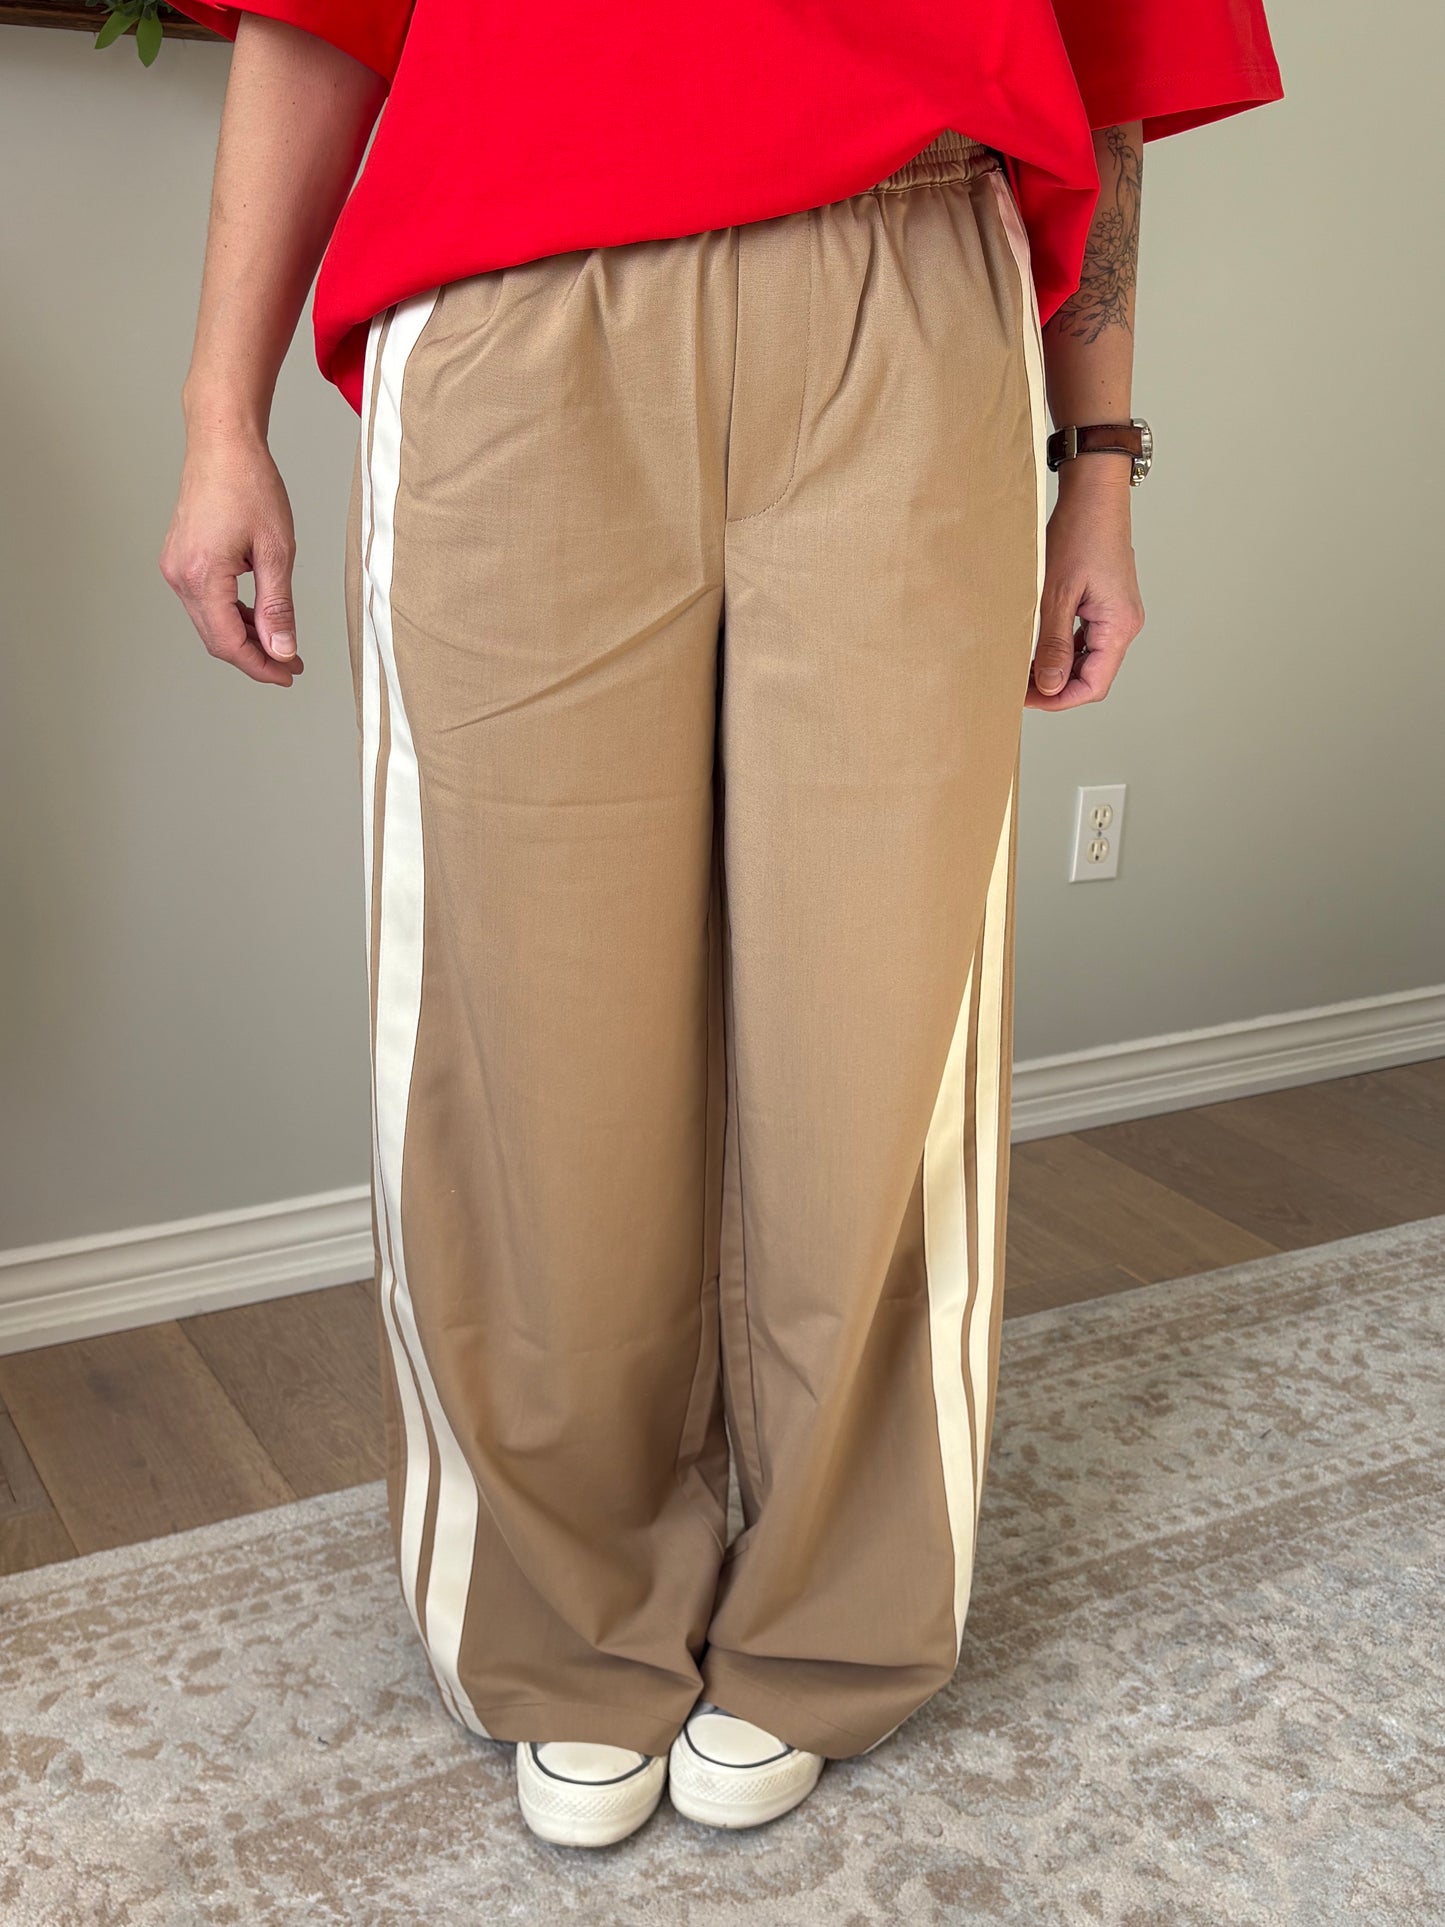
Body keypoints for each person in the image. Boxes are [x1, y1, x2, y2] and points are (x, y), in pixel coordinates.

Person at [160, 0, 1282, 1850]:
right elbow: (316, 15)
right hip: (517, 305)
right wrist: (220, 416)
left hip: (908, 287)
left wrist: (1101, 464)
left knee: (881, 1020)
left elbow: (1106, 60)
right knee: (522, 1028)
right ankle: (562, 1620)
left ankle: (829, 1618)